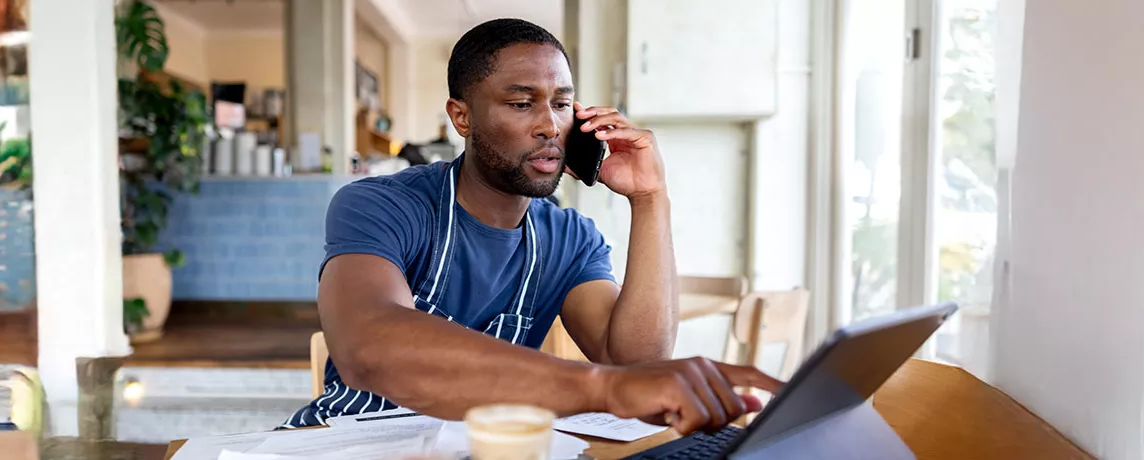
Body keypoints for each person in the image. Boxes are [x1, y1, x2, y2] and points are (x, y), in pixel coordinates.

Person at [284, 18, 781, 435]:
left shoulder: (571, 239)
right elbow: (368, 345)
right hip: (349, 442)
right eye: (522, 104)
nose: (549, 125)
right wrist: (600, 387)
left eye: (562, 104)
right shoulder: (381, 204)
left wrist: (650, 199)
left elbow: (635, 362)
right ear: (462, 117)